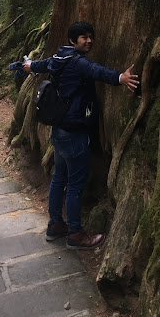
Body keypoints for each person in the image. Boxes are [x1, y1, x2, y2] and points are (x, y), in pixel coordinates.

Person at [23, 21, 139, 250]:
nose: (89, 41)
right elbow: (97, 71)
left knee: (59, 178)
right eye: (83, 37)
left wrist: (27, 65)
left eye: (90, 36)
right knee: (74, 185)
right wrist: (120, 78)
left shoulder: (58, 58)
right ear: (72, 41)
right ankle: (75, 234)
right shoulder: (78, 62)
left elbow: (39, 65)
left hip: (58, 131)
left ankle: (55, 224)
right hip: (74, 133)